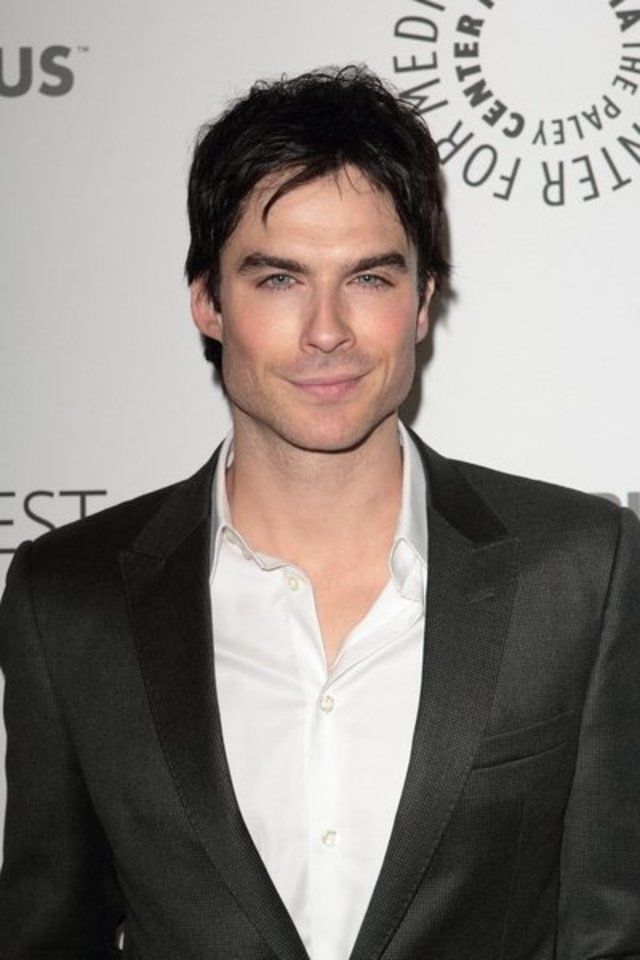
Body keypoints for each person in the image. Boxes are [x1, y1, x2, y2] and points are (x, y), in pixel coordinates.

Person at [0, 65, 638, 960]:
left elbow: (612, 932)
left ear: (422, 302)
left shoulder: (581, 572)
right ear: (208, 302)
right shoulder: (68, 600)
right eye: (279, 280)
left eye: (369, 278)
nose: (327, 330)